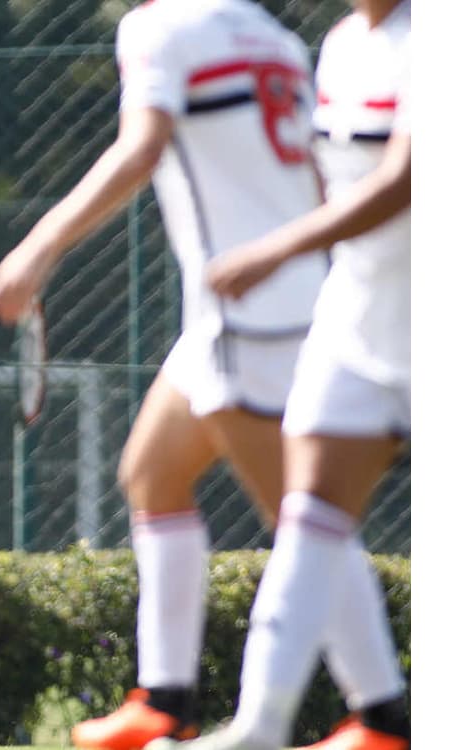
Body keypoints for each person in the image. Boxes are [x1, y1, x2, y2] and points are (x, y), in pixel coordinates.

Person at [0, 0, 333, 746]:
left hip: (252, 318)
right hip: (258, 312)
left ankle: (383, 713)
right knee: (151, 472)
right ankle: (163, 700)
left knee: (308, 527)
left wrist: (40, 246)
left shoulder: (159, 27)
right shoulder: (276, 37)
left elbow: (140, 150)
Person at [147, 2, 411, 749]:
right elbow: (329, 180)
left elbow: (409, 178)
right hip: (356, 324)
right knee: (311, 515)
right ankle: (264, 724)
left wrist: (275, 248)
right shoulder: (340, 45)